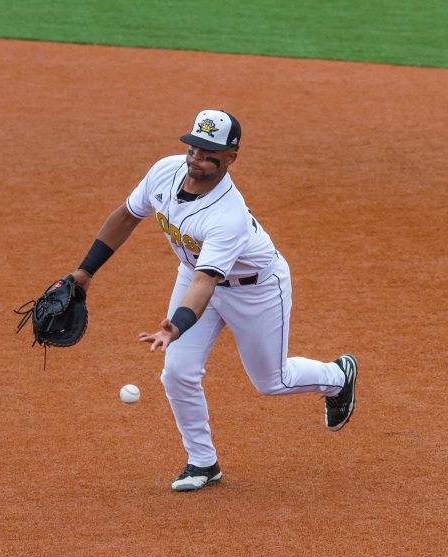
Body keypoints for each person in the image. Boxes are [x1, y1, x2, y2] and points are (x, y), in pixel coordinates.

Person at [69, 109, 358, 492]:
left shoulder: (228, 215)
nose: (197, 160)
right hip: (196, 277)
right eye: (194, 149)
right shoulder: (164, 171)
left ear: (231, 158)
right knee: (177, 372)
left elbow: (207, 282)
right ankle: (202, 462)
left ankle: (338, 377)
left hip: (255, 291)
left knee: (272, 381)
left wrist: (177, 325)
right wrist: (84, 272)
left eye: (209, 155)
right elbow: (126, 216)